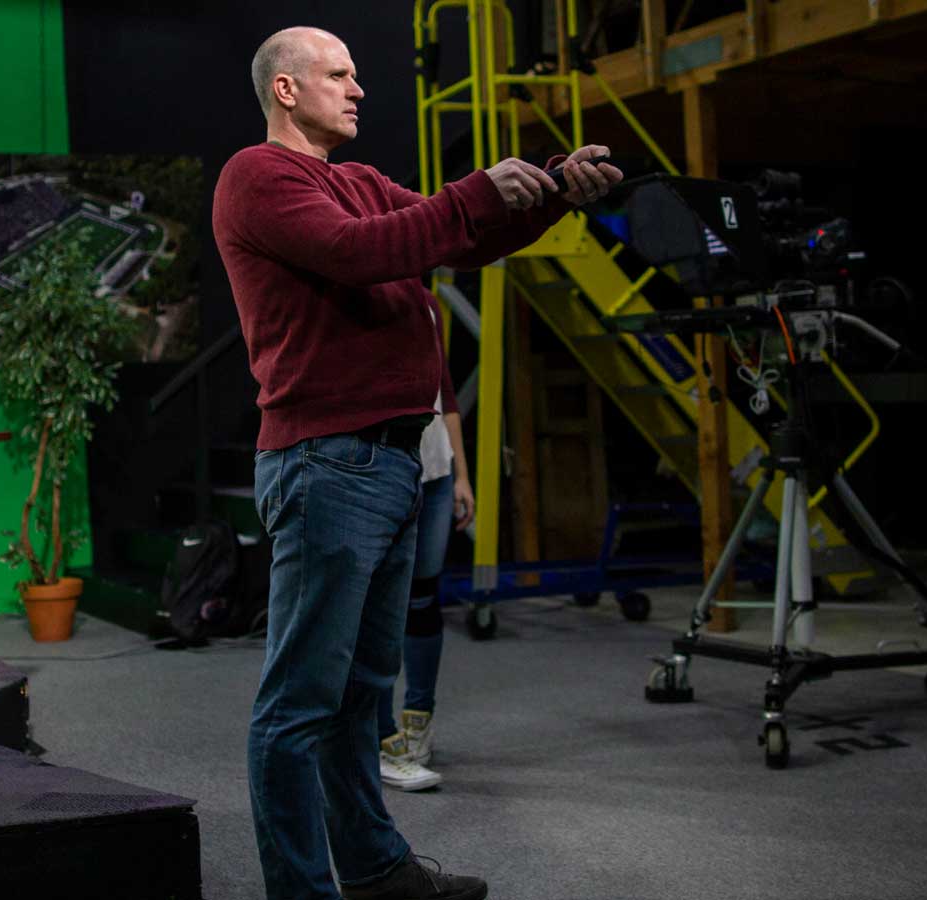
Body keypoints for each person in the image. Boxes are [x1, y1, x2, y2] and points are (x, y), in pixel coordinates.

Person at [212, 25, 621, 900]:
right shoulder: (258, 176)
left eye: (358, 74)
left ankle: (372, 869)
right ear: (287, 89)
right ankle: (300, 890)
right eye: (339, 74)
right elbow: (360, 254)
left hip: (394, 463)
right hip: (328, 464)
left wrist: (551, 193)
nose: (359, 89)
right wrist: (478, 189)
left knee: (364, 693)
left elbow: (456, 238)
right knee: (301, 703)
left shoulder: (358, 181)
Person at [375, 323, 474, 793]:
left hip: (435, 469)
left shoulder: (426, 303)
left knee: (422, 598)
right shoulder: (364, 279)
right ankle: (377, 733)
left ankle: (419, 715)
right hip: (382, 465)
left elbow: (446, 396)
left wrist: (461, 476)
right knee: (374, 607)